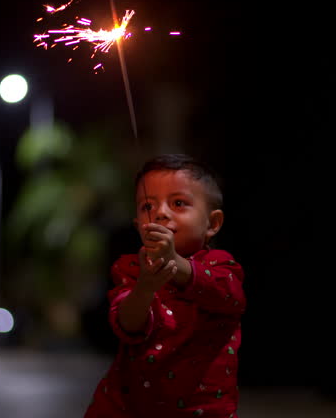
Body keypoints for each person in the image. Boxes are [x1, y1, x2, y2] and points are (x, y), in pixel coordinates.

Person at [84, 154, 245, 418]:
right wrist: (145, 288)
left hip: (201, 405)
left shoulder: (221, 267)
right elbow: (127, 325)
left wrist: (174, 263)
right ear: (138, 225)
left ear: (212, 223)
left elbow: (230, 297)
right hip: (130, 403)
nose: (160, 213)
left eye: (178, 203)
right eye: (148, 206)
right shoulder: (131, 268)